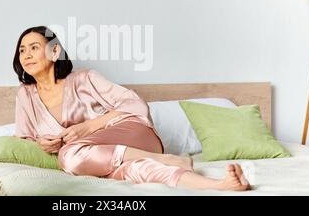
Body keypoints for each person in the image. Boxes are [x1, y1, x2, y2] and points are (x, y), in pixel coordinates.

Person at [13, 26, 251, 191]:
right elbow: (23, 139)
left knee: (69, 156)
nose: (26, 55)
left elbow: (135, 103)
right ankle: (221, 185)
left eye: (34, 47)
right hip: (97, 159)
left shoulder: (85, 79)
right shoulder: (25, 96)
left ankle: (162, 157)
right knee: (138, 171)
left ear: (55, 51)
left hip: (133, 133)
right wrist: (42, 144)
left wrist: (88, 127)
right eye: (22, 50)